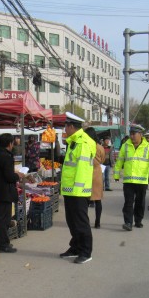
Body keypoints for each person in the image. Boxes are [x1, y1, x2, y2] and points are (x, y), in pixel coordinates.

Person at [59, 112, 96, 264]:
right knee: (72, 221)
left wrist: (76, 190)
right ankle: (75, 247)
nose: (64, 129)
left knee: (80, 222)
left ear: (72, 126)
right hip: (71, 190)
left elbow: (82, 169)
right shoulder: (73, 141)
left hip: (78, 191)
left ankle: (86, 252)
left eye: (66, 126)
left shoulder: (82, 143)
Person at [114, 125, 149, 231]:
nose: (132, 136)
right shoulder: (125, 146)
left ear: (141, 135)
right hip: (128, 180)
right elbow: (119, 161)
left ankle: (138, 220)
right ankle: (128, 222)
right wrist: (116, 174)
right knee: (128, 202)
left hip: (142, 180)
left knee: (140, 202)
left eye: (134, 134)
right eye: (131, 134)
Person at [0, 133, 21, 253]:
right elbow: (9, 176)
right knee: (4, 219)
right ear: (10, 143)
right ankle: (3, 244)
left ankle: (0, 241)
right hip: (5, 192)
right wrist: (18, 175)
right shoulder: (7, 156)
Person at [84, 127, 106, 229]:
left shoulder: (85, 146)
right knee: (98, 200)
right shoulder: (99, 147)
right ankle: (98, 222)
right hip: (97, 174)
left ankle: (85, 221)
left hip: (86, 173)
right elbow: (103, 159)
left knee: (85, 201)